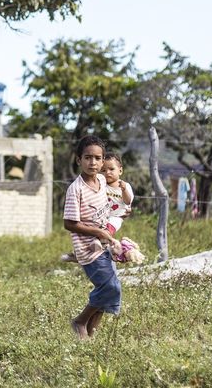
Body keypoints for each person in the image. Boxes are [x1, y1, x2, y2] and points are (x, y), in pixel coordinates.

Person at [63, 135, 122, 340]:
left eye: (98, 158)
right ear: (78, 160)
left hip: (104, 245)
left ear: (103, 160)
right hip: (88, 249)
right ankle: (80, 321)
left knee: (110, 288)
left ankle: (91, 332)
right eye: (87, 158)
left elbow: (112, 202)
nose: (93, 163)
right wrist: (98, 232)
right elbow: (69, 223)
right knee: (110, 287)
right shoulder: (76, 189)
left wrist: (122, 209)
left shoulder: (103, 181)